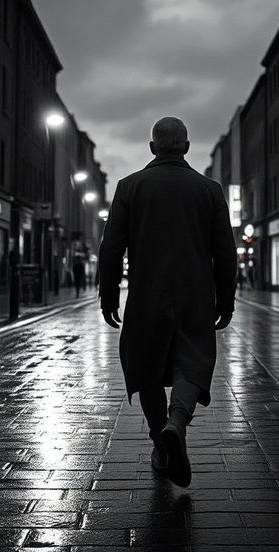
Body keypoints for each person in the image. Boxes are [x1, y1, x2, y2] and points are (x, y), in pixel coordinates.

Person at [98, 117, 237, 488]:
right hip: (194, 294)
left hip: (146, 293)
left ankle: (161, 440)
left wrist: (109, 295)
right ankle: (178, 422)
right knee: (192, 361)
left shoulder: (130, 187)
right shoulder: (209, 190)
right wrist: (226, 300)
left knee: (147, 367)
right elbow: (226, 253)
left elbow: (111, 248)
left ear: (152, 147)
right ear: (187, 147)